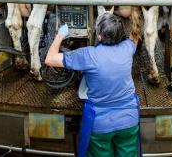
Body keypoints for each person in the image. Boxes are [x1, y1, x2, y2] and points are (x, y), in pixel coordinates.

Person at [45, 12, 141, 157]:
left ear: (99, 36)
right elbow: (135, 36)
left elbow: (50, 59)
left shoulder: (88, 55)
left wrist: (60, 35)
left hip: (101, 125)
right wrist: (136, 15)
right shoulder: (127, 48)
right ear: (121, 34)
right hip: (129, 120)